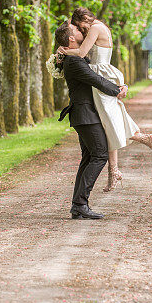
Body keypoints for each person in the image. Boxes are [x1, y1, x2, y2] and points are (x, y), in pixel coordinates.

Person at [57, 7, 152, 191]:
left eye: (78, 26)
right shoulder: (97, 28)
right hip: (100, 73)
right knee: (108, 121)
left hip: (101, 74)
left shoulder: (95, 28)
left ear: (84, 20)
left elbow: (82, 54)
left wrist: (64, 52)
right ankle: (115, 171)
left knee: (109, 121)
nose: (79, 29)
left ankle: (140, 144)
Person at [54, 21, 128, 220]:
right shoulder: (75, 61)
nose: (81, 31)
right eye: (77, 30)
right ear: (71, 38)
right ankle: (80, 204)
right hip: (85, 115)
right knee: (100, 155)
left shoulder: (75, 57)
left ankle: (78, 205)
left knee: (89, 157)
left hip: (84, 114)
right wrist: (117, 90)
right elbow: (96, 80)